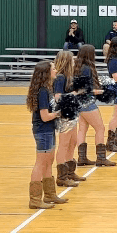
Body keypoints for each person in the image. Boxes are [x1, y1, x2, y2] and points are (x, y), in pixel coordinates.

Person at [26, 60, 65, 209]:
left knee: (48, 162)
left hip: (49, 129)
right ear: (46, 73)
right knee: (41, 163)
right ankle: (35, 199)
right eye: (53, 69)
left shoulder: (47, 89)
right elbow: (44, 116)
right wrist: (60, 113)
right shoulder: (42, 91)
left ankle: (49, 195)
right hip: (43, 130)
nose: (56, 71)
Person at [75, 44, 115, 168]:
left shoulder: (78, 67)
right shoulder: (87, 69)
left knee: (82, 128)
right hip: (87, 102)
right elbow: (85, 89)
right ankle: (101, 158)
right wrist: (102, 91)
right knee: (100, 128)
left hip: (79, 102)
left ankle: (82, 158)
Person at [52, 50, 84, 188]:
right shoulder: (60, 77)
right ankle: (62, 176)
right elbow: (58, 97)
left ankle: (70, 171)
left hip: (72, 112)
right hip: (64, 114)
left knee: (73, 142)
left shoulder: (68, 76)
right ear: (66, 61)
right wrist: (76, 92)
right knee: (64, 144)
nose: (74, 62)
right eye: (72, 60)